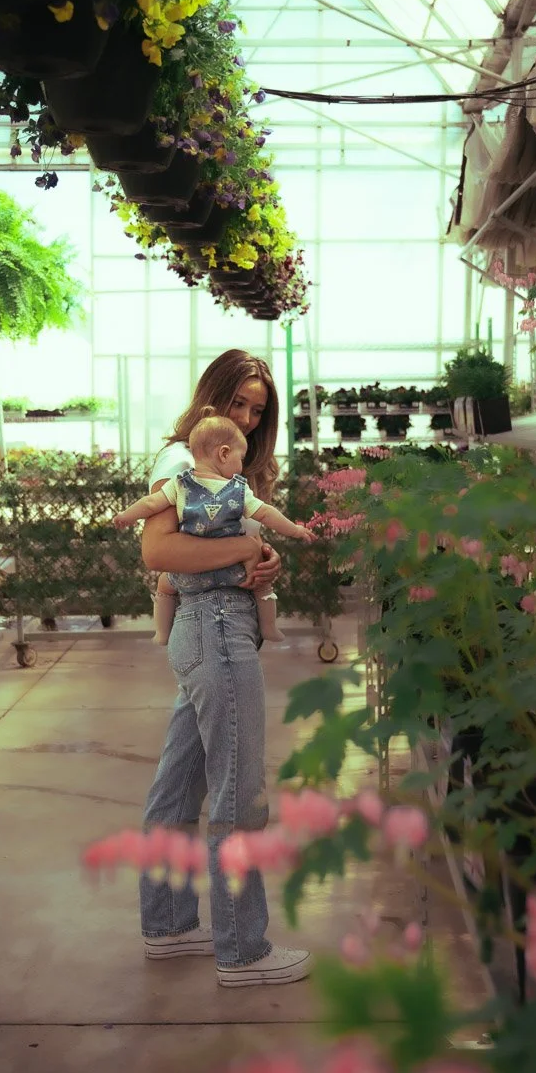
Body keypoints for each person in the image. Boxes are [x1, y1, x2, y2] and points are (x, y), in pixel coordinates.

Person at [130, 349, 312, 988]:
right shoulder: (183, 460)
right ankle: (242, 949)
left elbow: (229, 548)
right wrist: (250, 548)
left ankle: (171, 923)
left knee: (180, 785)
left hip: (212, 625)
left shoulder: (227, 466)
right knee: (239, 794)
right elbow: (159, 548)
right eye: (237, 402)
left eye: (257, 410)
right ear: (211, 395)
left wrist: (266, 563)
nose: (245, 417)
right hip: (214, 630)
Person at [113, 407, 314, 643]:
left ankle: (161, 633)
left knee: (164, 584)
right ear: (224, 453)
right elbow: (268, 514)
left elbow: (150, 504)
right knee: (262, 585)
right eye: (241, 458)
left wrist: (126, 516)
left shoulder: (180, 484)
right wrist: (296, 530)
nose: (241, 466)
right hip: (234, 573)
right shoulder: (238, 490)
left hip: (190, 576)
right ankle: (270, 628)